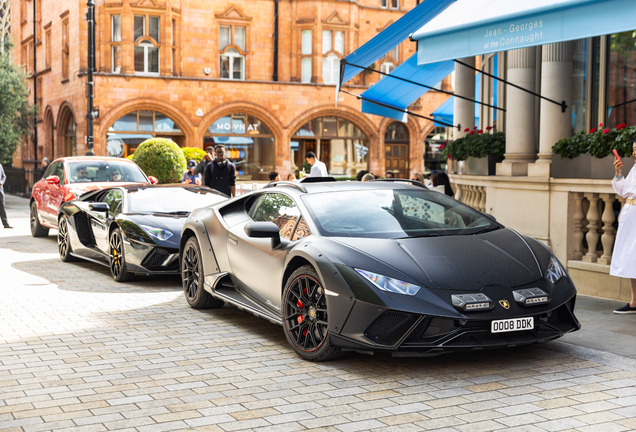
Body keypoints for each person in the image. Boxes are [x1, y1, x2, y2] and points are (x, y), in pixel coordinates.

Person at [610, 142, 636, 314]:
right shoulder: (635, 168)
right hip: (630, 216)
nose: (634, 152)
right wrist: (618, 173)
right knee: (631, 258)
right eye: (634, 148)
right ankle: (634, 302)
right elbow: (624, 190)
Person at [0, 163, 11, 229]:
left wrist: (1, 182)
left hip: (0, 191)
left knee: (2, 208)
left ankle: (6, 224)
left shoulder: (0, 166)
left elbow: (4, 176)